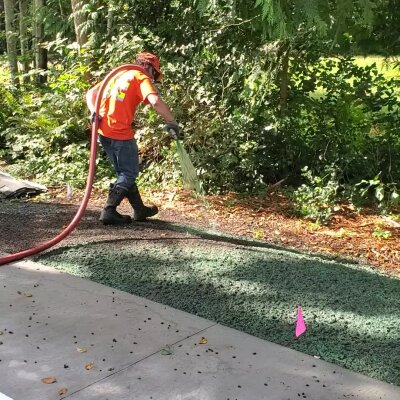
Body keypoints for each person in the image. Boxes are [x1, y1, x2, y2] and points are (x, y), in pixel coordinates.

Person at [86, 52, 180, 225]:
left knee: (124, 173)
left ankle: (139, 209)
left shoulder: (119, 75)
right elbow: (155, 101)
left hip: (103, 132)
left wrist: (94, 111)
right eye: (155, 73)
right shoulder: (139, 77)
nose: (153, 78)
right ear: (148, 67)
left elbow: (91, 93)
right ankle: (109, 210)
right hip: (120, 133)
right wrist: (172, 122)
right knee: (129, 173)